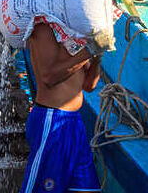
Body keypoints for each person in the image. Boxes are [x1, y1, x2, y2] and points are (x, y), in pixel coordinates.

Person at [20, 19, 101, 193]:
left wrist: (98, 57)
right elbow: (49, 77)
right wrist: (89, 50)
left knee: (87, 189)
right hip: (52, 120)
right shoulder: (43, 29)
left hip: (74, 123)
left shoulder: (71, 32)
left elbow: (89, 85)